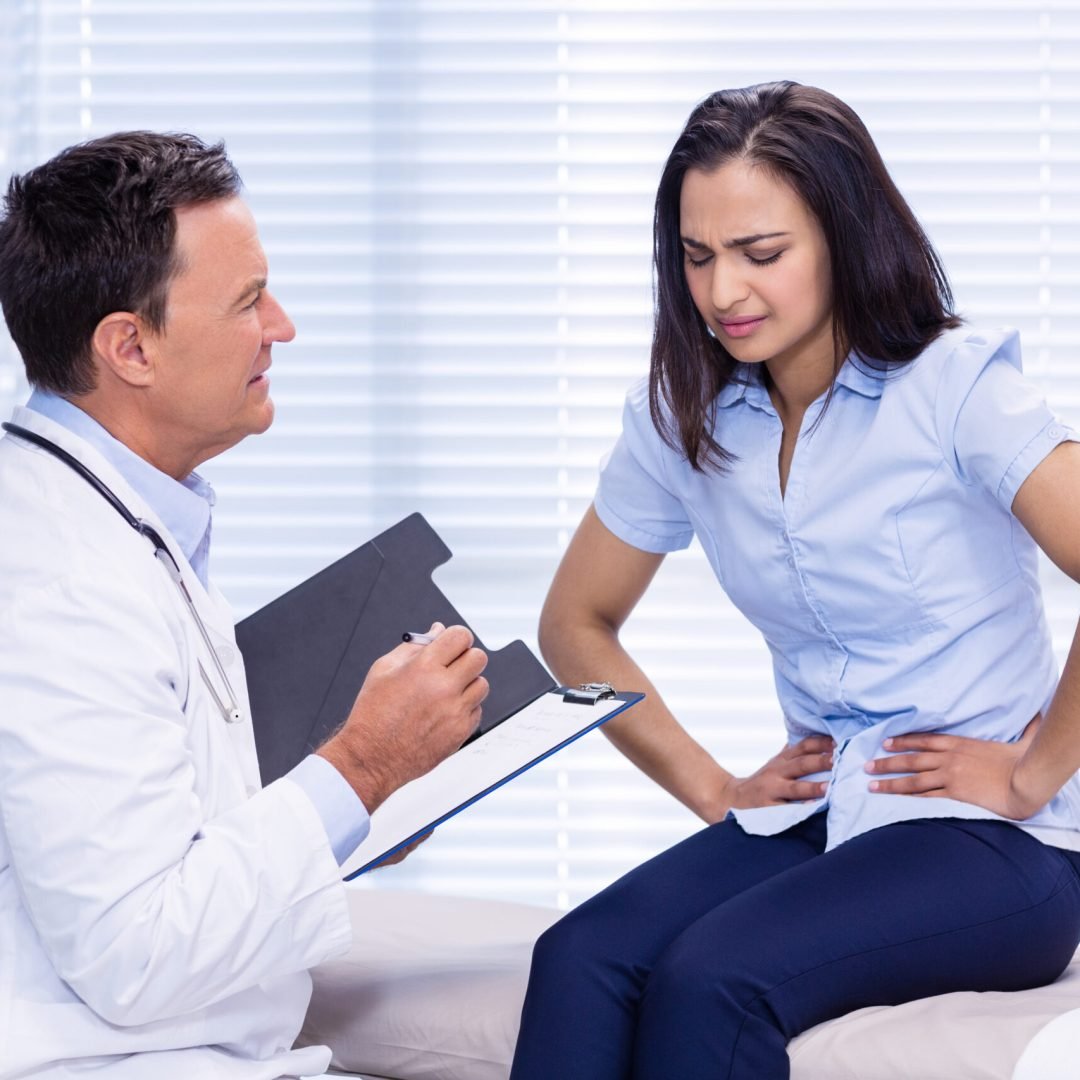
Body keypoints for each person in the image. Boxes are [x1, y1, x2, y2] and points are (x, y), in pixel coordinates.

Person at [508, 81, 1080, 1079]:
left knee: (710, 979)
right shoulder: (684, 415)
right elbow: (575, 624)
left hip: (997, 846)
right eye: (698, 257)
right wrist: (714, 786)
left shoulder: (954, 390)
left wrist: (1033, 774)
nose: (725, 291)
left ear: (843, 241)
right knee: (579, 960)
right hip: (819, 815)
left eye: (761, 254)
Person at [0, 132, 489, 1079]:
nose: (284, 326)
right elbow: (132, 954)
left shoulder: (109, 512)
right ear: (130, 347)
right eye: (246, 302)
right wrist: (356, 768)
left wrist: (356, 814)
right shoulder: (63, 585)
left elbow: (162, 845)